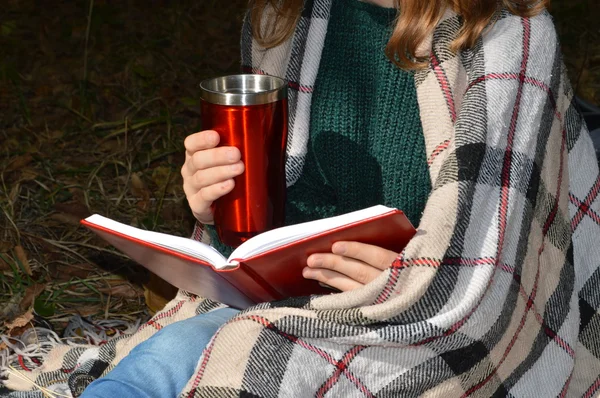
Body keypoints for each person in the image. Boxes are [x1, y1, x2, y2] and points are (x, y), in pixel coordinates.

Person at [5, 0, 600, 396]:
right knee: (155, 366)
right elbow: (273, 231)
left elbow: (495, 263)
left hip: (435, 321)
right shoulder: (287, 20)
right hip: (296, 298)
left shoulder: (507, 34)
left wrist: (407, 281)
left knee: (246, 356)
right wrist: (215, 213)